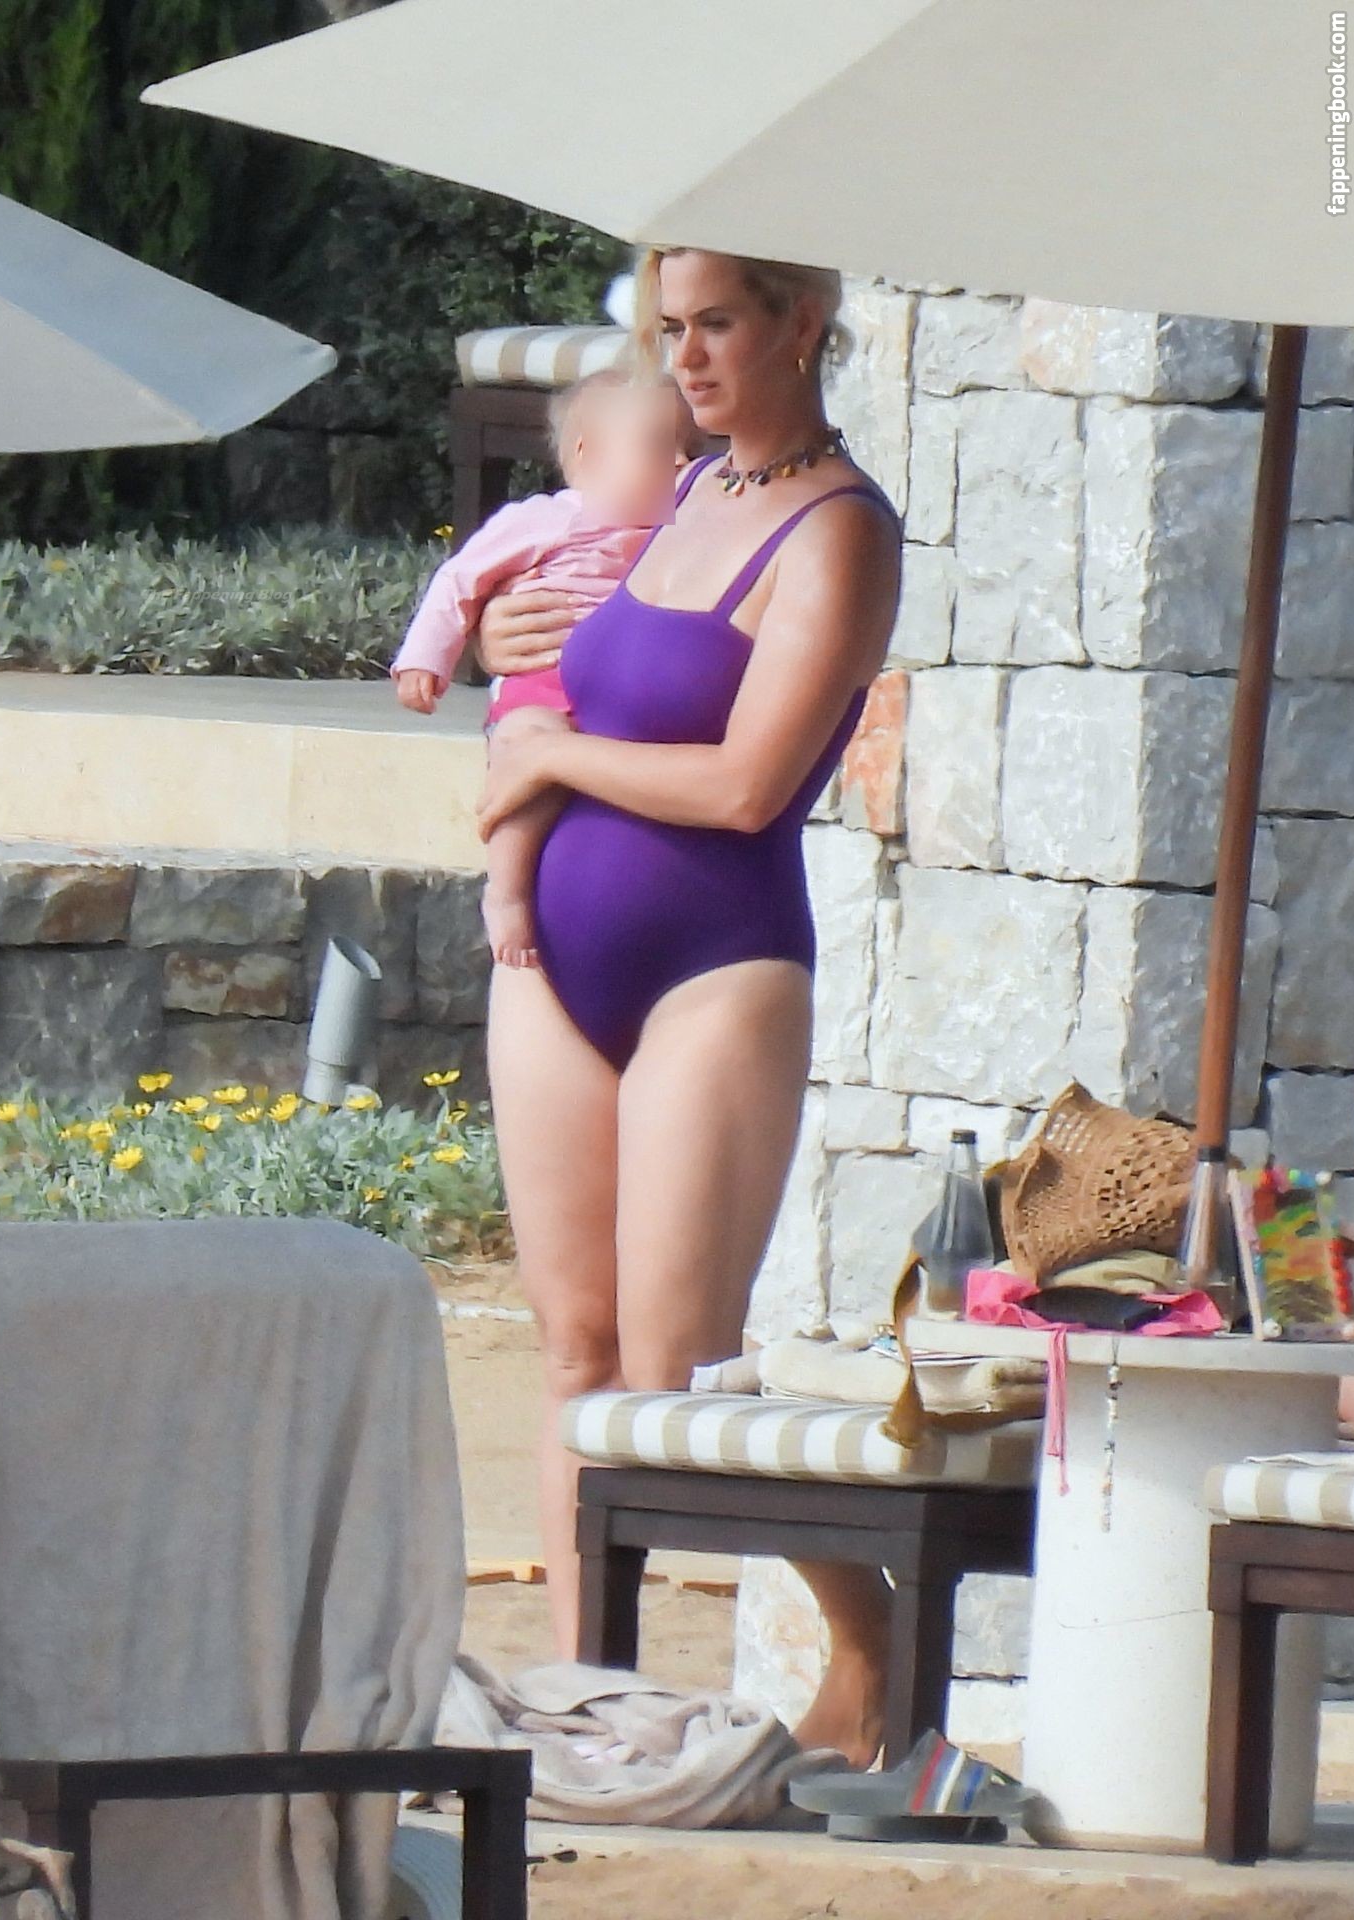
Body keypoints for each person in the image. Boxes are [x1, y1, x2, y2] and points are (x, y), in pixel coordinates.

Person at [473, 245, 904, 1769]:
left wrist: (550, 759)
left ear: (803, 322)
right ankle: (589, 1701)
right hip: (551, 966)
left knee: (683, 1366)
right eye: (672, 329)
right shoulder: (681, 489)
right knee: (577, 1356)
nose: (691, 358)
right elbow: (577, 669)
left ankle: (869, 1632)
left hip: (716, 965)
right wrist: (509, 654)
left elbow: (745, 785)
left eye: (718, 324)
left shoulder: (838, 530)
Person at [392, 369, 691, 966]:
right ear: (588, 455)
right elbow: (460, 579)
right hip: (544, 686)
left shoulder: (680, 535)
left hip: (620, 697)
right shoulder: (548, 519)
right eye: (662, 445)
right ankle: (506, 891)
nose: (683, 461)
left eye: (692, 446)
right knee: (528, 753)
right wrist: (426, 658)